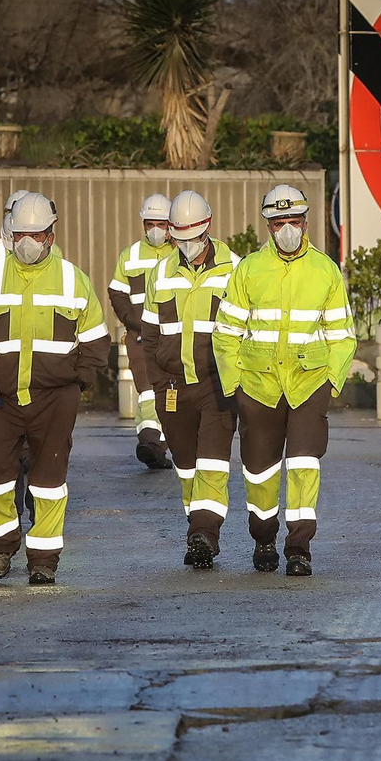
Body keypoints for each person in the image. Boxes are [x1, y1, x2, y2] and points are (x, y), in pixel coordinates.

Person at [0, 192, 110, 585]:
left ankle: (43, 559)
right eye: (20, 233)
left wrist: (77, 383)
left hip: (54, 400)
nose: (26, 242)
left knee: (48, 480)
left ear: (51, 236)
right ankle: (2, 544)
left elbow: (96, 340)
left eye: (35, 234)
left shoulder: (73, 279)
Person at [213, 184, 354, 577]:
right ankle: (263, 537)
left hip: (309, 386)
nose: (287, 229)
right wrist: (235, 386)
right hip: (258, 388)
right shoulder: (249, 270)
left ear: (306, 223)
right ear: (268, 227)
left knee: (305, 463)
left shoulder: (325, 270)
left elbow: (343, 334)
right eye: (278, 223)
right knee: (259, 472)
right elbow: (225, 332)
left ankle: (299, 547)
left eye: (294, 221)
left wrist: (331, 382)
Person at [141, 190, 240, 568]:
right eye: (178, 238)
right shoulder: (161, 272)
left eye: (192, 238)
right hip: (172, 387)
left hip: (217, 386)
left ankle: (205, 533)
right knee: (186, 467)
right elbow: (149, 335)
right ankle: (197, 527)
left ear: (208, 228)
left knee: (213, 463)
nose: (185, 246)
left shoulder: (235, 268)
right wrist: (156, 380)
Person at [111, 193, 175, 470]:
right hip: (140, 337)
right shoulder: (131, 255)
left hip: (173, 336)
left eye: (161, 224)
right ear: (143, 224)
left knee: (173, 392)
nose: (156, 230)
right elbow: (117, 293)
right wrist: (134, 322)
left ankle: (161, 444)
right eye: (150, 223)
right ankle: (150, 440)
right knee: (147, 389)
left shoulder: (181, 254)